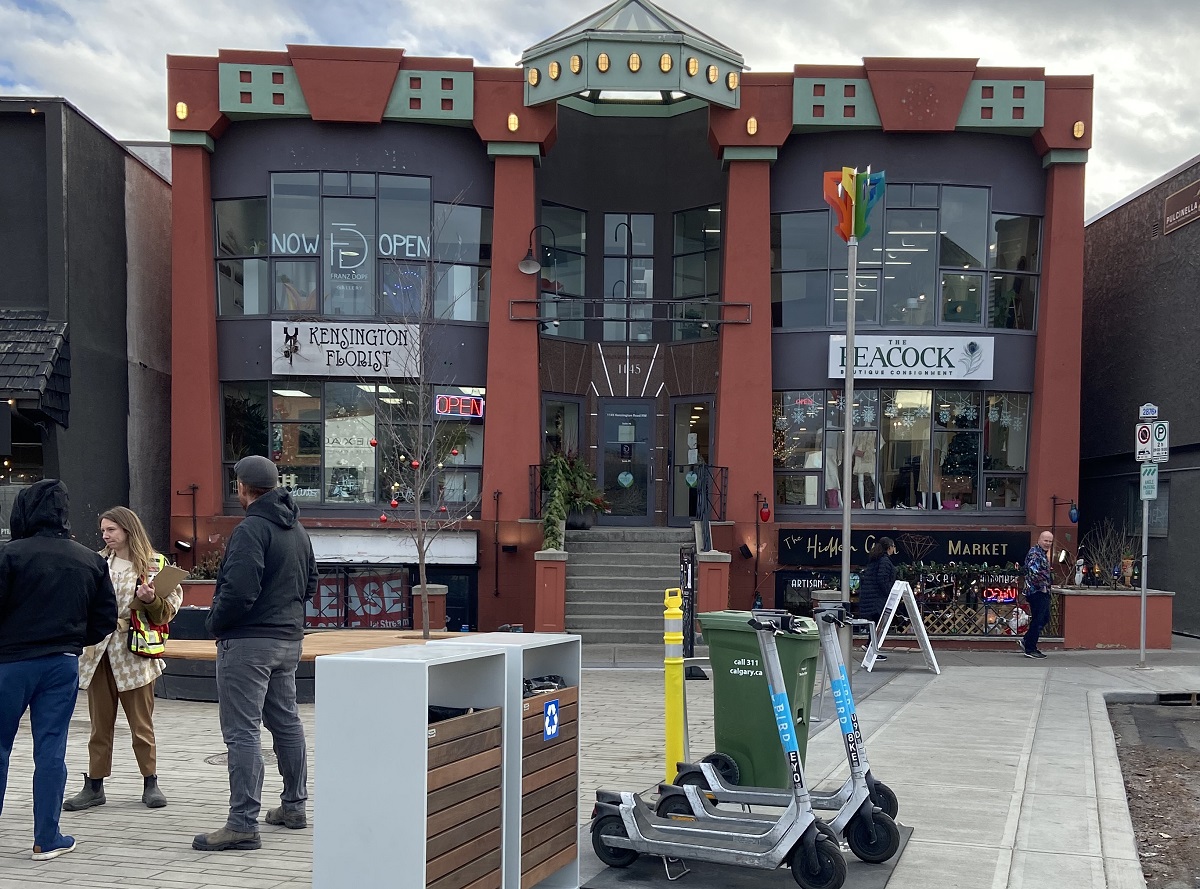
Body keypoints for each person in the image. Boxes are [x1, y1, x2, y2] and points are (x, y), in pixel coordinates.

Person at [193, 456, 318, 852]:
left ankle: (242, 823)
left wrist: (215, 623)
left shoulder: (251, 529)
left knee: (242, 732)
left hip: (247, 643)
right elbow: (311, 582)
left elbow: (239, 590)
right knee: (286, 722)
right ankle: (294, 807)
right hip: (288, 639)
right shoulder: (296, 528)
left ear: (242, 488)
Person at [0, 480, 116, 861]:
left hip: (9, 663)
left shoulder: (9, 555)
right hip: (62, 662)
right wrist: (71, 638)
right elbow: (105, 620)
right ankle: (46, 838)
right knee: (51, 748)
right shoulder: (90, 560)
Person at [64, 507, 184, 812]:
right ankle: (94, 785)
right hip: (98, 650)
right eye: (103, 530)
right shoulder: (97, 561)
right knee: (99, 723)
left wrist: (150, 599)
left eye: (111, 530)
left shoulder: (154, 565)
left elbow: (167, 611)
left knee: (141, 723)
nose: (105, 536)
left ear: (128, 529)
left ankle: (150, 781)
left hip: (135, 652)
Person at [855, 537, 897, 661]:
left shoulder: (875, 560)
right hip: (877, 598)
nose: (894, 549)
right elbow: (882, 579)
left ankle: (869, 646)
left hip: (871, 597)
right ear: (889, 547)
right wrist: (889, 592)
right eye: (893, 546)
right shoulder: (884, 561)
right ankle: (872, 649)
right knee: (879, 624)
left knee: (876, 624)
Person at [1021, 530, 1054, 659]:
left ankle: (1026, 640)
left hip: (1040, 591)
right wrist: (1043, 587)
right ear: (1039, 540)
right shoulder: (1035, 553)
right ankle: (1030, 648)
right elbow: (1033, 572)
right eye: (1046, 540)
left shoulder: (1042, 553)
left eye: (1050, 541)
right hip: (1037, 591)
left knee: (1044, 618)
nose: (1048, 543)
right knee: (1039, 619)